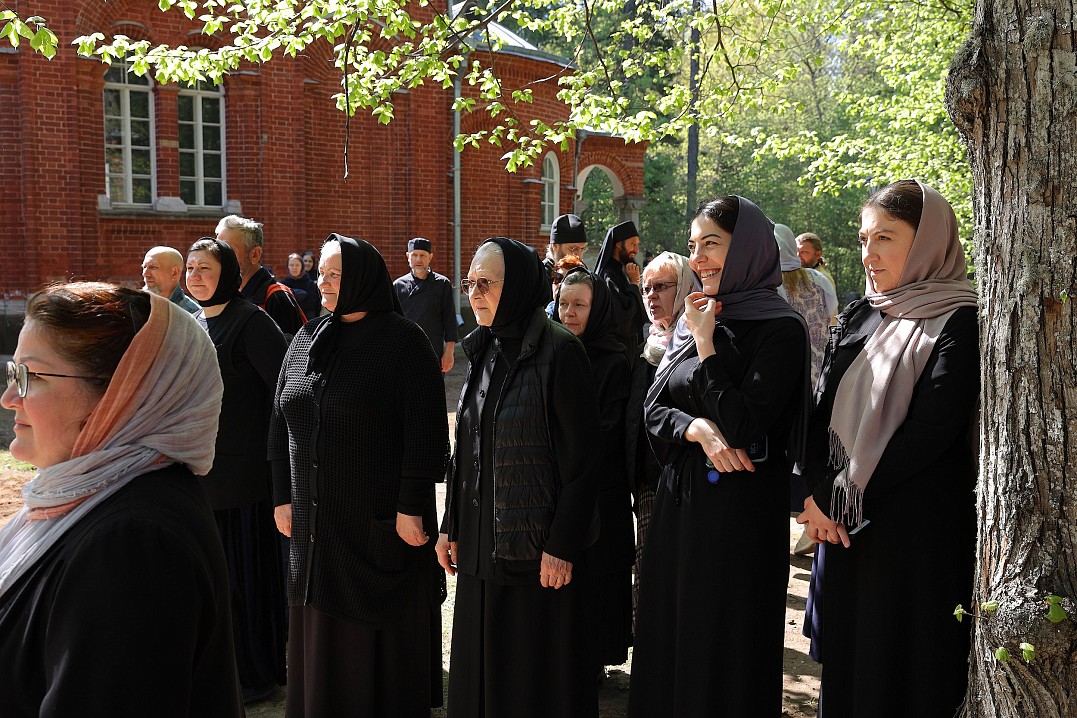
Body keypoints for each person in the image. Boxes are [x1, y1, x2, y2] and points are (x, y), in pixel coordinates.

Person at [0, 282, 242, 716]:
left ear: (122, 397)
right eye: (13, 372)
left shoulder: (132, 541)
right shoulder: (91, 498)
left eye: (31, 377)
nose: (8, 399)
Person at [797, 180, 979, 717]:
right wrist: (820, 494)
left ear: (926, 241)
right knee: (849, 674)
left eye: (885, 238)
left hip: (915, 537)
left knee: (902, 675)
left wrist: (835, 498)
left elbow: (929, 432)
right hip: (846, 531)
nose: (868, 253)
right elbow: (820, 409)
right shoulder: (862, 314)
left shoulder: (959, 319)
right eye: (863, 239)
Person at [628, 196, 811, 717]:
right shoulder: (701, 316)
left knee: (722, 650)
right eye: (693, 246)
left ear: (748, 248)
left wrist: (707, 347)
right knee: (671, 639)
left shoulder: (780, 329)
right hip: (680, 508)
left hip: (738, 522)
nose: (699, 258)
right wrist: (696, 430)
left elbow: (746, 425)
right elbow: (653, 409)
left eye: (712, 244)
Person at [269, 235, 448, 717]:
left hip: (376, 523)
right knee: (320, 635)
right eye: (321, 274)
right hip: (315, 525)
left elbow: (427, 433)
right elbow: (279, 422)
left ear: (363, 279)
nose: (322, 283)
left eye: (334, 275)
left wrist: (410, 507)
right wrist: (282, 495)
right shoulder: (307, 338)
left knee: (371, 640)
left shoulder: (404, 342)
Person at [436, 237, 601, 718]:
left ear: (519, 286)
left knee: (531, 679)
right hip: (480, 547)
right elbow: (468, 447)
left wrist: (562, 544)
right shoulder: (483, 346)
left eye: (485, 283)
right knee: (481, 677)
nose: (474, 293)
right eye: (470, 283)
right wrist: (451, 524)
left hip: (536, 555)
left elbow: (584, 462)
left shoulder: (561, 351)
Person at [185, 238, 289, 703]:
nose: (195, 276)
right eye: (190, 268)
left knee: (245, 585)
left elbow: (286, 395)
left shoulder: (252, 322)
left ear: (227, 273)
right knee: (212, 584)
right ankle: (220, 673)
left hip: (246, 484)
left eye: (204, 268)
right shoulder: (193, 322)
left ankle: (255, 675)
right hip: (202, 479)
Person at [556, 268, 634, 672]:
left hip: (601, 491)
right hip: (562, 485)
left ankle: (593, 663)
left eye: (580, 305)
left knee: (596, 578)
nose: (568, 312)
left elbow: (607, 429)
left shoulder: (613, 360)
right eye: (563, 303)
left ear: (598, 308)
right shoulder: (553, 351)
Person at [630, 251, 697, 625]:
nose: (651, 296)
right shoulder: (647, 345)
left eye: (661, 287)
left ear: (685, 287)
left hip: (689, 482)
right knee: (648, 574)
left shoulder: (701, 341)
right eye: (646, 288)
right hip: (649, 481)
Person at [216, 215, 306, 336]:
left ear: (255, 255)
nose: (220, 258)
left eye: (229, 250)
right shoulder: (227, 295)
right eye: (218, 250)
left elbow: (290, 347)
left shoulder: (277, 299)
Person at [775, 223, 837, 386]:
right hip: (822, 371)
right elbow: (832, 318)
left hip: (789, 375)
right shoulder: (819, 279)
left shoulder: (771, 286)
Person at [393, 237, 458, 373]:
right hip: (404, 351)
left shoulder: (442, 284)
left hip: (433, 350)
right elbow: (392, 321)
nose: (418, 259)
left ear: (430, 257)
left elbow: (450, 320)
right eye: (414, 255)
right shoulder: (398, 286)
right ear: (408, 256)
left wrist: (449, 352)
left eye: (422, 255)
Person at [596, 220, 646, 362]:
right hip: (616, 353)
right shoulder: (608, 275)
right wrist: (634, 284)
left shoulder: (619, 271)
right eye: (632, 244)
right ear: (618, 244)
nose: (636, 250)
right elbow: (622, 314)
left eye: (637, 244)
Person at [142, 245, 200, 313]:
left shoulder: (192, 314)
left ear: (174, 273)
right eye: (144, 267)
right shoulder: (137, 307)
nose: (145, 274)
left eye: (153, 267)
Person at [543, 213, 589, 280]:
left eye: (582, 248)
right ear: (555, 247)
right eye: (574, 249)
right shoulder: (542, 274)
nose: (578, 256)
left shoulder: (584, 272)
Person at [281, 251, 321, 321]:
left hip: (307, 320)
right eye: (291, 265)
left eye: (297, 265)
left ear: (302, 266)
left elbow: (312, 304)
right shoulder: (283, 285)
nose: (294, 268)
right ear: (288, 267)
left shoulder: (310, 284)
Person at [796, 230, 838, 299]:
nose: (798, 256)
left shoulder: (823, 279)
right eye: (796, 251)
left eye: (804, 252)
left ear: (818, 254)